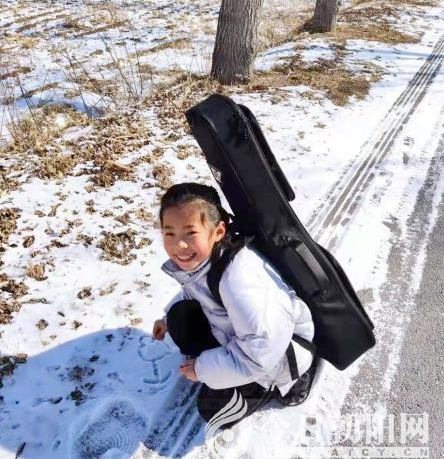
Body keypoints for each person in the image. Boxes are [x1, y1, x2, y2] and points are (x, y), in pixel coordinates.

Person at [152, 182, 317, 429]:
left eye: (190, 233)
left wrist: (202, 370)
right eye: (170, 234)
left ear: (218, 231)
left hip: (280, 359)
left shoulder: (240, 279)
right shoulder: (209, 259)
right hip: (244, 338)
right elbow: (196, 290)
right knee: (180, 317)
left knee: (213, 410)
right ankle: (228, 369)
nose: (179, 245)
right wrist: (166, 320)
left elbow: (262, 350)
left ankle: (282, 387)